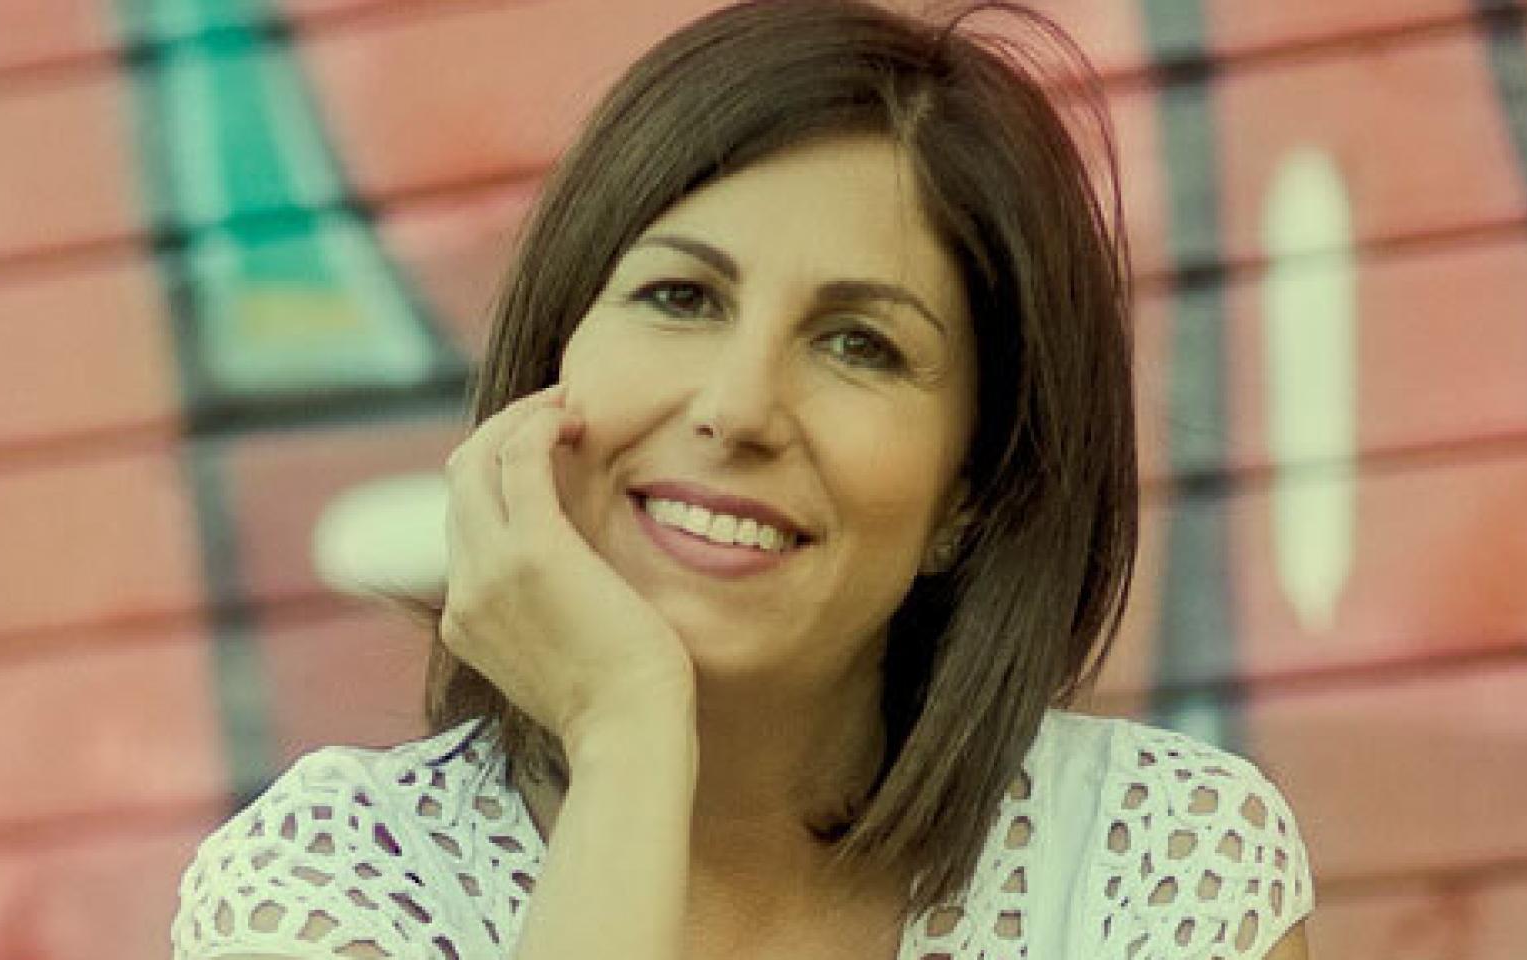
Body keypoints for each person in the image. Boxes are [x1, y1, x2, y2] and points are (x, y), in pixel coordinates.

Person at [170, 1, 1315, 958]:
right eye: (680, 298)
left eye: (860, 345)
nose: (737, 407)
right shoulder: (330, 888)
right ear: (553, 364)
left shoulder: (1151, 867)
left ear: (970, 492)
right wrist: (625, 736)